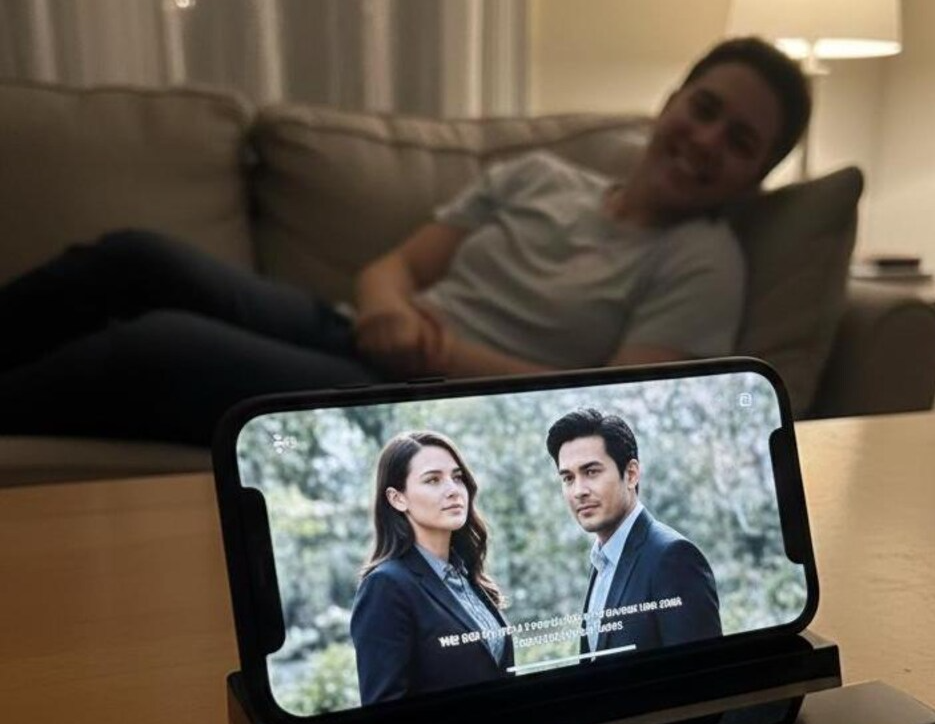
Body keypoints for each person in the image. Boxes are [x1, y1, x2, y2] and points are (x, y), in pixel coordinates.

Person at [0, 37, 810, 446]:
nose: (706, 140)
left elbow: (614, 410)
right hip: (364, 335)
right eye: (704, 108)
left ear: (756, 178)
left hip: (428, 402)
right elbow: (398, 265)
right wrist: (388, 308)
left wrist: (441, 354)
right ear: (670, 101)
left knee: (159, 349)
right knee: (140, 257)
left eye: (739, 142)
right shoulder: (541, 177)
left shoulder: (703, 259)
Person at [350, 430, 513, 704]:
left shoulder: (465, 574)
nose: (453, 490)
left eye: (457, 477)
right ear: (397, 498)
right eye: (433, 480)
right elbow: (384, 709)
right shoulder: (385, 586)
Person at [545, 406, 721, 657]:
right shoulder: (602, 561)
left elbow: (704, 671)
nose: (579, 491)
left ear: (631, 474)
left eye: (591, 472)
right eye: (568, 478)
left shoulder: (673, 558)